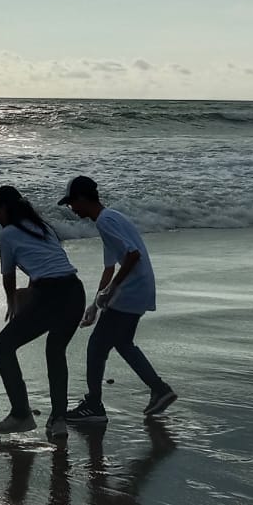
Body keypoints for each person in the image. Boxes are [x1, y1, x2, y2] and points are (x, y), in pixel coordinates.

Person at [57, 175, 176, 423]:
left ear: (81, 198)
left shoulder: (106, 221)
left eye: (71, 203)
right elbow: (109, 268)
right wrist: (95, 304)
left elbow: (132, 256)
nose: (72, 209)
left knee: (97, 346)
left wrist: (111, 291)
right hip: (139, 288)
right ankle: (159, 389)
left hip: (131, 290)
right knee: (122, 343)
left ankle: (94, 405)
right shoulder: (111, 218)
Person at [0, 185, 86, 438]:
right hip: (75, 292)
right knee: (55, 351)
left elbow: (8, 276)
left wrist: (11, 301)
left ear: (4, 208)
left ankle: (21, 415)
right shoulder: (43, 228)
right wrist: (30, 298)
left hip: (51, 294)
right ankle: (58, 419)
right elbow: (44, 267)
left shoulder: (8, 235)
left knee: (3, 346)